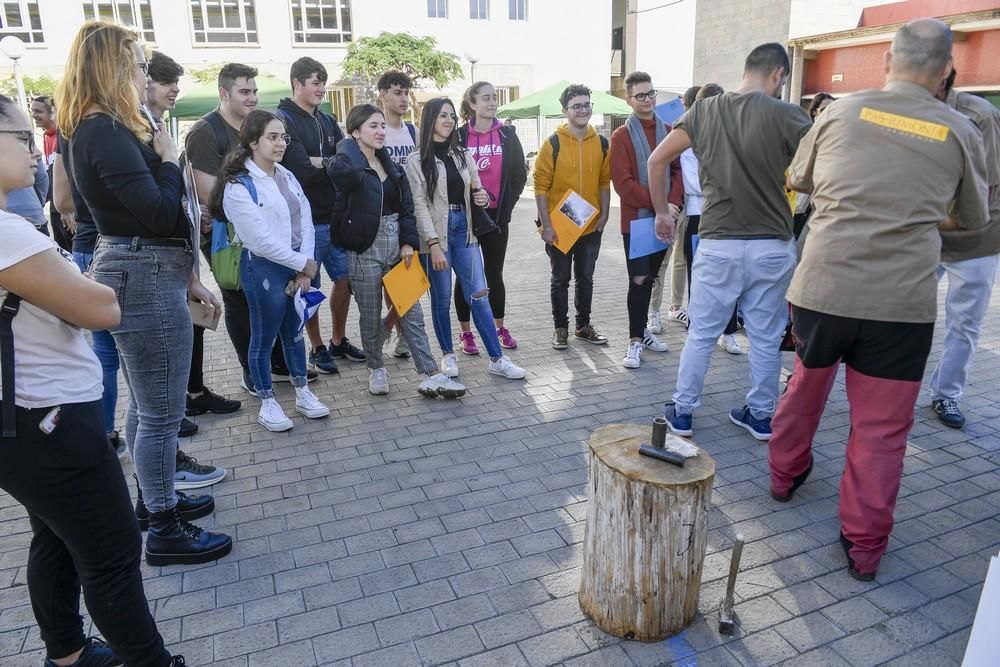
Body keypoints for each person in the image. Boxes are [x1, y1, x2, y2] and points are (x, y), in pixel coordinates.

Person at [772, 19, 988, 581]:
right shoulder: (961, 130)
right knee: (882, 429)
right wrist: (913, 210)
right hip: (902, 303)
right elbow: (971, 219)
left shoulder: (840, 112)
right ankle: (863, 548)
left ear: (888, 58)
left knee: (804, 388)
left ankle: (782, 475)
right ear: (946, 70)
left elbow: (798, 178)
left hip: (824, 288)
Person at [1, 92, 188, 667]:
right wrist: (83, 285)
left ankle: (69, 652)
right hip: (50, 417)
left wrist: (77, 282)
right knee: (110, 553)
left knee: (56, 537)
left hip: (25, 419)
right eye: (20, 139)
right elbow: (102, 309)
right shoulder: (8, 235)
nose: (36, 151)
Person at [60, 21, 232, 566]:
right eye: (135, 64)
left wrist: (188, 275)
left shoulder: (108, 127)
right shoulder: (103, 130)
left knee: (149, 405)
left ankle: (153, 500)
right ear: (113, 68)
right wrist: (163, 158)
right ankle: (163, 526)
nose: (143, 73)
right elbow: (158, 214)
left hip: (151, 270)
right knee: (160, 411)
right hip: (142, 272)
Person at [648, 45, 811, 441]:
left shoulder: (704, 111)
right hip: (773, 244)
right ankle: (759, 415)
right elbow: (812, 176)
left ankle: (682, 411)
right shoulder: (791, 115)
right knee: (766, 336)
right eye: (783, 81)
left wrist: (662, 213)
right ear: (778, 74)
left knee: (702, 332)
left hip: (719, 240)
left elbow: (656, 161)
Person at [184, 63, 317, 397]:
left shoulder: (258, 129)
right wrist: (249, 211)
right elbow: (208, 192)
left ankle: (277, 365)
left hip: (266, 238)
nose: (252, 97)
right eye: (245, 91)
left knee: (272, 302)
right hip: (227, 239)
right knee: (242, 302)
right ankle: (251, 371)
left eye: (254, 91)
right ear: (223, 93)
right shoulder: (205, 131)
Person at [328, 104, 467, 398]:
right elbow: (341, 176)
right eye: (372, 126)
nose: (381, 132)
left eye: (382, 126)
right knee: (369, 312)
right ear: (355, 132)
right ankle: (376, 368)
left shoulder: (389, 164)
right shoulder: (346, 162)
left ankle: (430, 373)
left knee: (412, 310)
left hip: (396, 246)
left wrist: (407, 242)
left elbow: (406, 207)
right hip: (363, 248)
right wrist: (351, 147)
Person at [213, 109, 331, 432]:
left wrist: (306, 267)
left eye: (284, 137)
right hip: (265, 269)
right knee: (264, 337)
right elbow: (259, 240)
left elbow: (304, 217)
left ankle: (303, 392)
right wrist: (301, 264)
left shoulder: (286, 175)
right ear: (253, 141)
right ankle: (267, 400)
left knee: (294, 332)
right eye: (273, 137)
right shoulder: (239, 185)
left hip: (297, 267)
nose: (280, 144)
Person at [147, 50, 234, 481]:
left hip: (178, 254)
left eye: (175, 80)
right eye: (165, 80)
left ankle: (192, 395)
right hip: (152, 262)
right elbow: (154, 204)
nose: (174, 89)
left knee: (188, 332)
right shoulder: (131, 132)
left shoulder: (154, 127)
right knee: (153, 381)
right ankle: (163, 486)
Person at [405, 97, 526, 381]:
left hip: (465, 231)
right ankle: (447, 354)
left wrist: (481, 197)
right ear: (430, 120)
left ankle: (497, 358)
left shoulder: (462, 154)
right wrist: (433, 244)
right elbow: (419, 205)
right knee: (441, 298)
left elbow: (476, 189)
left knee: (479, 295)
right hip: (437, 235)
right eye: (442, 116)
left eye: (451, 116)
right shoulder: (416, 160)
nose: (449, 121)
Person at [277, 57, 365, 373]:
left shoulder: (327, 120)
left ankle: (338, 340)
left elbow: (350, 161)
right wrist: (332, 163)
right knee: (309, 289)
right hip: (305, 224)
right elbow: (301, 170)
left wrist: (324, 161)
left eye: (323, 83)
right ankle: (316, 347)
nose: (321, 89)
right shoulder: (283, 119)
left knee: (346, 281)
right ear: (297, 83)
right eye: (315, 82)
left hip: (336, 218)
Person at [927, 68, 1000, 428]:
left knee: (964, 324)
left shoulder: (979, 115)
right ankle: (898, 388)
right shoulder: (909, 111)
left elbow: (985, 187)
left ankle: (947, 394)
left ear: (943, 79)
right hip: (926, 233)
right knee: (902, 314)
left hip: (976, 237)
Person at [609, 71, 681, 368]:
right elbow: (623, 185)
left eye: (651, 94)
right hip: (637, 222)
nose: (648, 100)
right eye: (641, 95)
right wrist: (660, 206)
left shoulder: (669, 129)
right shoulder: (621, 136)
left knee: (651, 278)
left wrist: (673, 205)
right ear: (629, 100)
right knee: (638, 280)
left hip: (666, 219)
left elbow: (678, 172)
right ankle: (634, 341)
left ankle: (643, 333)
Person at [534, 84, 612, 349]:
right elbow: (541, 187)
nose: (583, 110)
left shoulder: (601, 143)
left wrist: (604, 216)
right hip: (560, 226)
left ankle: (583, 325)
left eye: (586, 104)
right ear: (564, 110)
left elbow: (604, 181)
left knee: (586, 278)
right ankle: (560, 329)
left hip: (590, 225)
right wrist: (546, 225)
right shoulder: (552, 143)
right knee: (560, 279)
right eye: (576, 106)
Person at [455, 81, 528, 354]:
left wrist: (506, 207)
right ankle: (466, 333)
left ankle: (499, 327)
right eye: (485, 98)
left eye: (494, 98)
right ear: (472, 104)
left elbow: (520, 174)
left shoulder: (507, 135)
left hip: (497, 219)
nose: (491, 102)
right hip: (464, 220)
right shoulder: (459, 136)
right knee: (465, 276)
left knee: (493, 274)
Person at [682, 83, 745, 355]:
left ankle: (729, 332)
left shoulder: (733, 137)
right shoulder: (687, 138)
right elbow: (694, 183)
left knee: (731, 278)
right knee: (699, 278)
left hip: (729, 218)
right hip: (699, 218)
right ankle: (698, 328)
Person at [649, 85, 703, 334]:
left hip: (690, 208)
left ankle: (678, 307)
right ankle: (656, 313)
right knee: (662, 261)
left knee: (685, 260)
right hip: (676, 207)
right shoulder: (676, 131)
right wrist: (666, 206)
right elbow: (669, 168)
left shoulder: (708, 132)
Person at [376, 69, 419, 359]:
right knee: (385, 282)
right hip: (381, 215)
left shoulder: (414, 131)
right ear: (382, 95)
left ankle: (396, 330)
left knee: (407, 278)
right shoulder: (376, 130)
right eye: (397, 92)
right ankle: (387, 329)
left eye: (406, 92)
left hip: (409, 213)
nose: (404, 98)